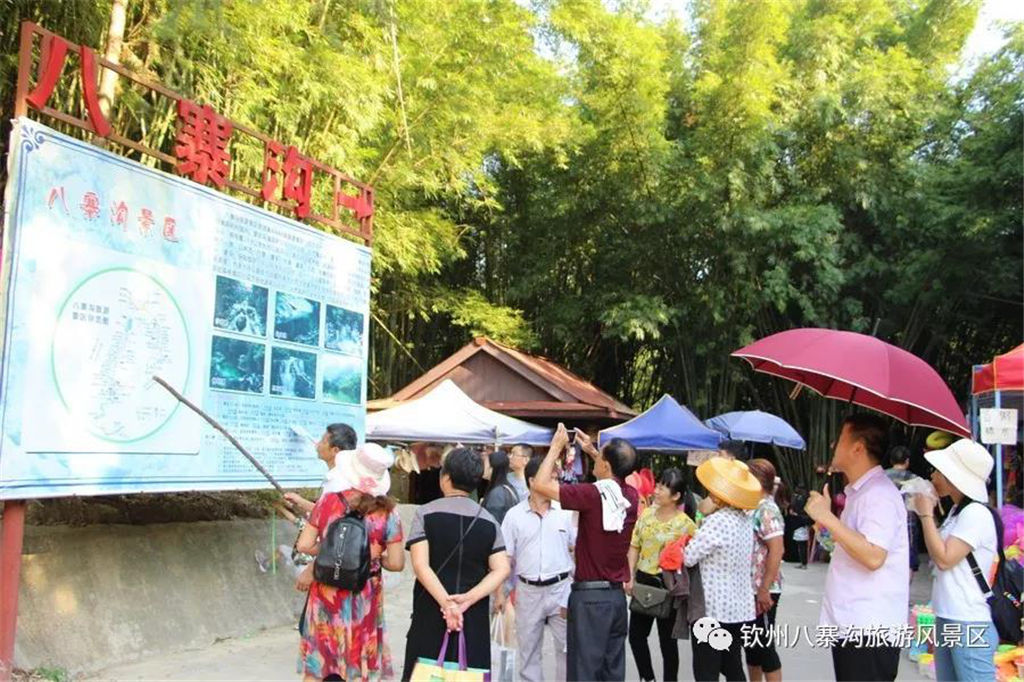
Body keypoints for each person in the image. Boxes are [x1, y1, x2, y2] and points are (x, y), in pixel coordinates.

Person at [805, 414, 908, 682]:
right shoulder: (860, 493)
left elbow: (873, 556)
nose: (833, 445)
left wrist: (827, 518)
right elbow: (849, 547)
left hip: (869, 629)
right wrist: (823, 523)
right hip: (854, 624)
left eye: (840, 439)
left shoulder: (879, 495)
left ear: (858, 448)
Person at [532, 423, 639, 682]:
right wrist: (592, 451)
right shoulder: (631, 496)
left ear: (606, 466)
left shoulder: (591, 495)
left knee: (584, 673)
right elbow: (613, 474)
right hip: (616, 599)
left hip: (590, 599)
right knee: (611, 674)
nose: (595, 457)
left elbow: (540, 485)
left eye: (600, 455)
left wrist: (555, 447)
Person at [294, 443, 405, 682]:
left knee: (318, 666)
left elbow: (304, 545)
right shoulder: (389, 513)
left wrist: (332, 551)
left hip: (327, 590)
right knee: (358, 665)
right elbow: (397, 563)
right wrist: (372, 556)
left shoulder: (327, 501)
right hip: (364, 594)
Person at [402, 447, 511, 680]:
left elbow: (421, 566)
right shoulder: (489, 521)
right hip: (472, 616)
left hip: (430, 610)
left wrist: (447, 604)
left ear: (445, 477)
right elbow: (502, 568)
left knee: (423, 672)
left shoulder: (425, 514)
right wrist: (467, 600)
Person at [910, 438, 997, 682]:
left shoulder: (976, 513)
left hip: (968, 620)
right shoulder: (957, 512)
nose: (933, 476)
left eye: (938, 470)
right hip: (948, 616)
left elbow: (944, 559)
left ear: (953, 476)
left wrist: (926, 514)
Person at [498, 455, 576, 682]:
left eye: (556, 479)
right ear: (533, 481)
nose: (556, 484)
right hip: (528, 591)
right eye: (551, 479)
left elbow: (577, 550)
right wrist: (500, 592)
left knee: (567, 650)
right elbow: (505, 558)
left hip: (561, 589)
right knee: (528, 652)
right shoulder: (514, 516)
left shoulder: (566, 512)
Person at [684, 456, 759, 682]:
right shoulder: (745, 521)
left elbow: (688, 557)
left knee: (706, 669)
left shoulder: (718, 521)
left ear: (718, 495)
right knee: (732, 665)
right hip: (738, 608)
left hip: (712, 607)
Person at [627, 468, 697, 682]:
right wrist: (630, 576)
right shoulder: (646, 514)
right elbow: (634, 545)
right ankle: (647, 677)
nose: (656, 491)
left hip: (669, 585)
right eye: (657, 486)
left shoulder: (686, 524)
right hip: (644, 581)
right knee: (636, 637)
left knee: (667, 642)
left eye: (662, 488)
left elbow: (693, 558)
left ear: (676, 496)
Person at [744, 459, 785, 682]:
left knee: (765, 648)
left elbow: (777, 549)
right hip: (750, 589)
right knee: (752, 646)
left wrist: (764, 589)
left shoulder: (767, 509)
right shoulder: (753, 506)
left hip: (763, 589)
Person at [885, 445, 922, 582]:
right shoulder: (914, 479)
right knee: (909, 556)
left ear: (891, 460)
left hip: (885, 521)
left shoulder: (882, 477)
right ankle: (905, 587)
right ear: (907, 461)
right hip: (908, 523)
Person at [482, 449, 520, 524]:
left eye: (485, 464)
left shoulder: (497, 494)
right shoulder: (508, 488)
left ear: (492, 469)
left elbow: (492, 523)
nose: (483, 467)